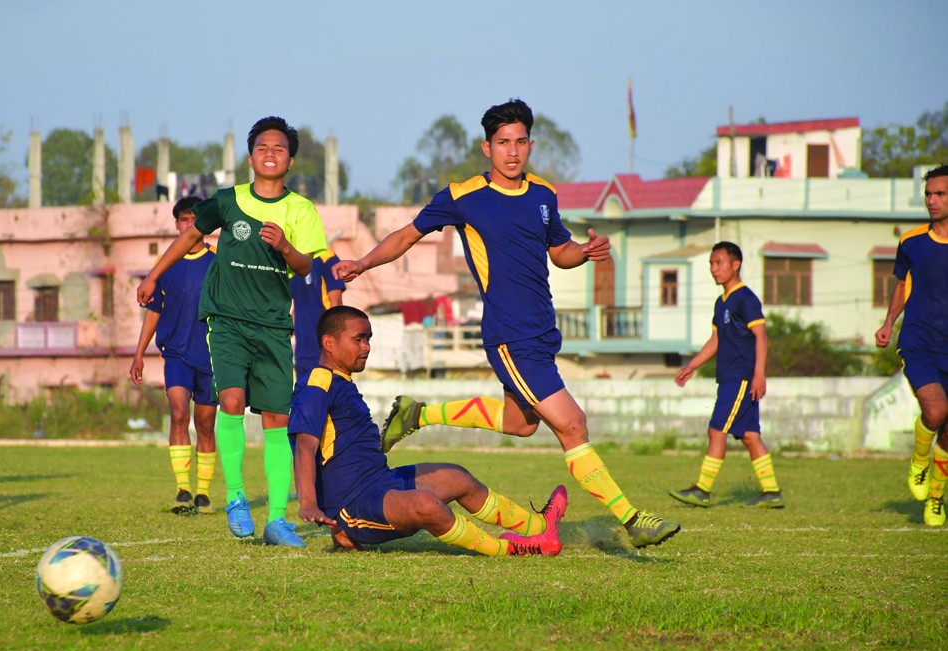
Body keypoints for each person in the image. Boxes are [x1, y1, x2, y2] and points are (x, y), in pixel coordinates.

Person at [334, 99, 679, 549]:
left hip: (542, 331)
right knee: (572, 424)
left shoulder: (543, 195)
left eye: (520, 142)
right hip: (510, 334)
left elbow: (561, 251)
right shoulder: (463, 197)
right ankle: (632, 519)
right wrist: (361, 263)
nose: (512, 152)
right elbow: (405, 236)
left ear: (531, 145)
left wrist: (586, 252)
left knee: (520, 424)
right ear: (487, 147)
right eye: (502, 143)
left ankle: (419, 413)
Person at [136, 116, 327, 547]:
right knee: (231, 401)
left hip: (275, 326)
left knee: (279, 420)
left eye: (279, 149)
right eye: (263, 147)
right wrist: (153, 276)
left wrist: (284, 246)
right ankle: (236, 497)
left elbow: (305, 266)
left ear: (290, 159)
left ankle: (277, 519)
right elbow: (187, 239)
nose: (271, 154)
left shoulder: (301, 210)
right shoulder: (228, 201)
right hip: (226, 321)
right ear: (251, 157)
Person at [290, 306, 566, 556]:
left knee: (455, 477)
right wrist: (309, 503)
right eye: (358, 339)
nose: (367, 347)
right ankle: (511, 549)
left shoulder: (341, 381)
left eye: (369, 339)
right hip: (354, 504)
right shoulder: (319, 381)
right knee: (427, 504)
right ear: (329, 343)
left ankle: (540, 525)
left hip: (382, 481)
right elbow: (305, 445)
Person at [668, 242, 784, 509]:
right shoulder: (721, 303)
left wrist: (759, 374)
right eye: (711, 263)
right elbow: (716, 339)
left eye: (718, 263)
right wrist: (692, 365)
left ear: (735, 264)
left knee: (716, 429)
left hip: (742, 377)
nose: (714, 269)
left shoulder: (745, 299)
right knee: (749, 436)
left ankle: (702, 490)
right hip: (730, 377)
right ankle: (772, 492)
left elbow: (761, 336)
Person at [130, 196, 218, 515]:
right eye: (183, 220)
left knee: (205, 424)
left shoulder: (217, 262)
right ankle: (183, 488)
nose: (188, 225)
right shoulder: (165, 265)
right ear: (176, 223)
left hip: (211, 357)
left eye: (194, 220)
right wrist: (139, 354)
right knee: (179, 413)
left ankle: (204, 493)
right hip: (177, 354)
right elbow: (153, 312)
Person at [875, 163, 948, 527]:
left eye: (940, 194)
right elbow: (902, 285)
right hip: (919, 342)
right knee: (935, 412)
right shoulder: (911, 241)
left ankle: (936, 497)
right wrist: (889, 323)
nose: (932, 201)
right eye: (929, 194)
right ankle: (920, 459)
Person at [290, 247, 345, 381]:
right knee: (304, 398)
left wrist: (335, 350)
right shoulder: (292, 261)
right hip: (302, 353)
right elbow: (296, 308)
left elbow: (336, 304)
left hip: (324, 353)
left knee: (327, 398)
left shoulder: (327, 257)